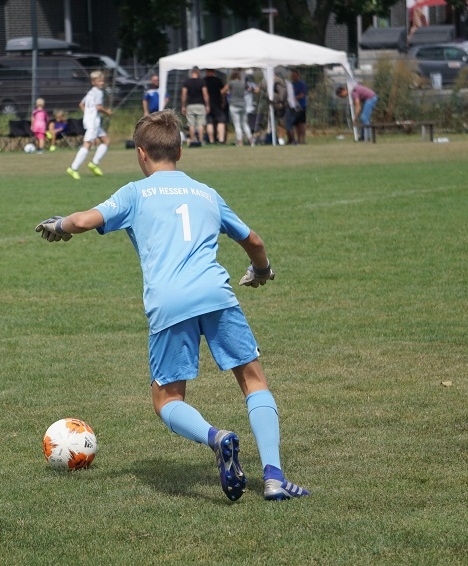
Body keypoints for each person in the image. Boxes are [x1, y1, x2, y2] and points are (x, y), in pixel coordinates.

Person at [35, 109, 310, 503]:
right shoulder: (206, 193)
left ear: (141, 154)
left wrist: (59, 226)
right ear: (180, 151)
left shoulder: (134, 192)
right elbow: (255, 241)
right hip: (217, 294)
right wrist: (261, 271)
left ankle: (217, 438)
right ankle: (274, 477)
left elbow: (83, 220)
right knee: (253, 380)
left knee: (167, 399)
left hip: (169, 301)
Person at [66, 71, 112, 180]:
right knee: (87, 144)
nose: (101, 83)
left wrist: (87, 114)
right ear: (93, 82)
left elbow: (81, 104)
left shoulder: (90, 92)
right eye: (98, 81)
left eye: (102, 80)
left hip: (92, 120)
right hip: (93, 122)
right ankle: (73, 168)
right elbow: (99, 107)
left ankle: (94, 163)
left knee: (106, 141)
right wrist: (107, 112)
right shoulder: (98, 92)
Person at [180, 66, 209, 146]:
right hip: (200, 104)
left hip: (190, 105)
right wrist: (207, 105)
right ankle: (201, 140)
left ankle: (192, 140)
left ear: (192, 72)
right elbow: (205, 94)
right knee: (200, 124)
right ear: (198, 72)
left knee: (191, 124)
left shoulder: (187, 82)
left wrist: (183, 106)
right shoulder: (202, 82)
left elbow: (184, 94)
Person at [225, 70, 253, 147]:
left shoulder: (231, 83)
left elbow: (224, 90)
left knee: (237, 125)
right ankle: (250, 139)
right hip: (243, 105)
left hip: (234, 105)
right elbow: (250, 89)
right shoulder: (242, 83)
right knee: (244, 124)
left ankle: (240, 141)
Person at [204, 69, 227, 144]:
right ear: (213, 72)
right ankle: (221, 139)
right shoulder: (218, 80)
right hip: (217, 102)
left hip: (207, 103)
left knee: (209, 122)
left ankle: (211, 140)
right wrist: (223, 101)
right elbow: (222, 92)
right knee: (221, 120)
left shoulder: (204, 81)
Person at [289, 69, 308, 144]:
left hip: (301, 106)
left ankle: (302, 139)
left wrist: (293, 98)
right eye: (292, 76)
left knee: (301, 124)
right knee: (296, 124)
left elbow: (302, 95)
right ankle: (298, 139)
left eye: (295, 76)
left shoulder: (302, 84)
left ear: (298, 76)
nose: (293, 77)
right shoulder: (291, 84)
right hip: (294, 106)